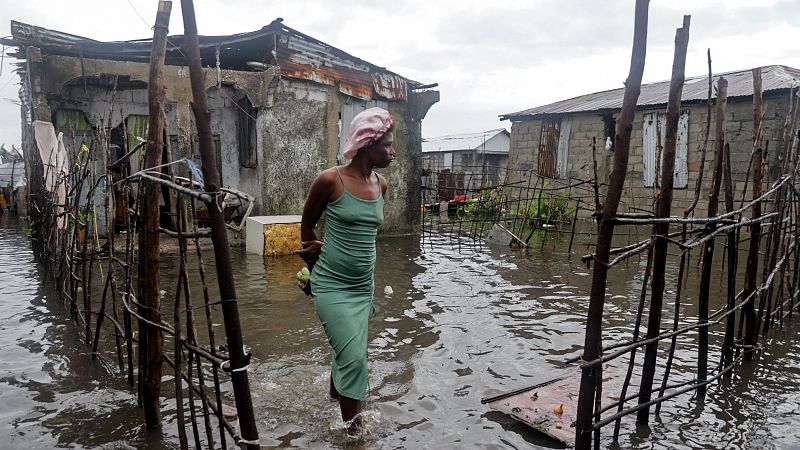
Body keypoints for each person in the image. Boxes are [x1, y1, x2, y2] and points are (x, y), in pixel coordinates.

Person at [297, 107, 395, 434]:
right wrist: (312, 269)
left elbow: (364, 238)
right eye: (387, 146)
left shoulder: (381, 185)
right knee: (354, 357)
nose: (392, 152)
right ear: (368, 144)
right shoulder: (330, 180)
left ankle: (333, 395)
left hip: (362, 286)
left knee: (349, 349)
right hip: (332, 285)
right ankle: (355, 434)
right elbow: (307, 227)